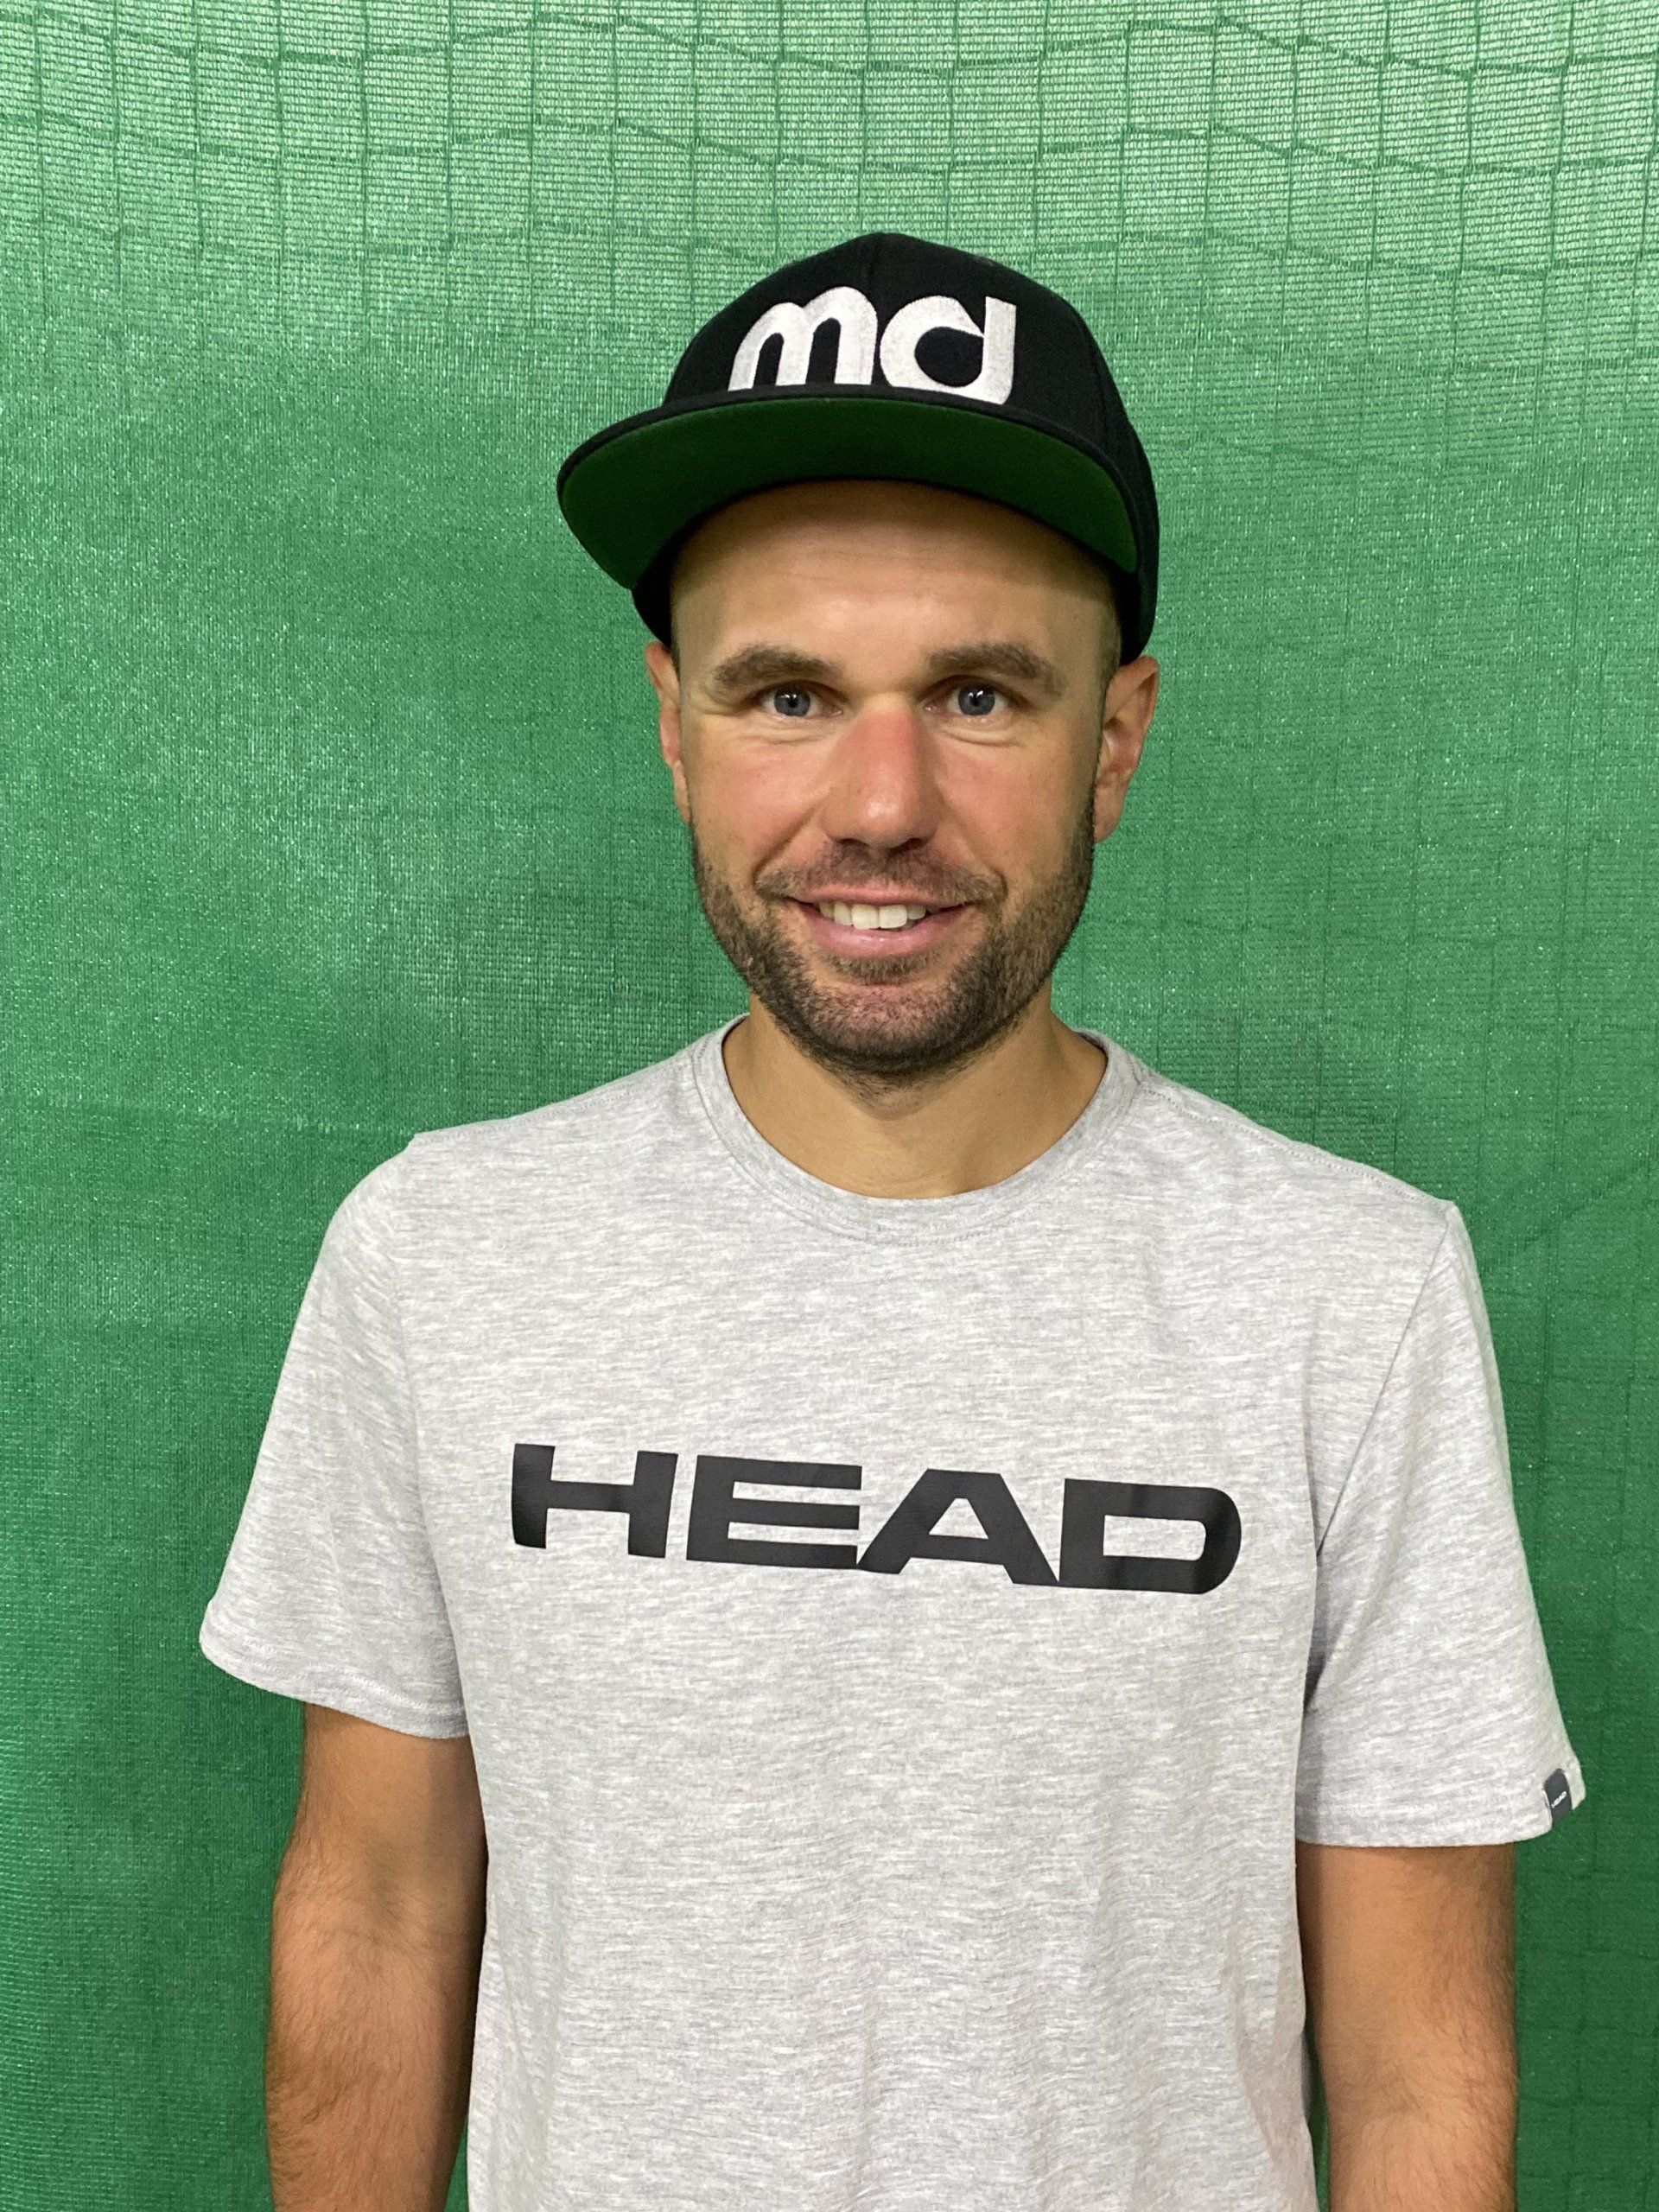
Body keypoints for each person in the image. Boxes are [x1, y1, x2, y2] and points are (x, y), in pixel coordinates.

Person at [200, 232, 1585, 2212]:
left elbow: (1419, 2059)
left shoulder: (1351, 1292)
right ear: (673, 722)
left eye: (980, 693)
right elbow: (377, 1906)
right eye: (787, 690)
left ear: (1116, 740)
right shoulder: (441, 1254)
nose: (877, 801)